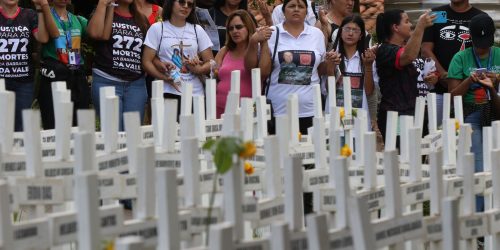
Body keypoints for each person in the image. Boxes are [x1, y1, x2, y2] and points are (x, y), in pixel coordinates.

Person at [246, 0, 338, 215]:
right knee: (282, 165)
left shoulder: (316, 35)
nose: (296, 9)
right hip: (280, 111)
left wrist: (331, 62)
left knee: (309, 167)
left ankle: (308, 215)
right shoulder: (272, 33)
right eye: (291, 5)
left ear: (307, 11)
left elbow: (321, 69)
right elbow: (255, 70)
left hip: (311, 110)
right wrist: (254, 43)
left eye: (301, 6)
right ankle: (284, 214)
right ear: (283, 10)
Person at [448, 13, 499, 214]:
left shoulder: (499, 54)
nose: (482, 48)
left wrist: (494, 84)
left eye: (486, 43)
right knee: (478, 163)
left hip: (496, 111)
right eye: (478, 43)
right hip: (471, 112)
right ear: (470, 38)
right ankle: (478, 217)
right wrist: (469, 81)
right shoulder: (460, 58)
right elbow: (452, 97)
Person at [142, 0, 214, 119]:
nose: (185, 6)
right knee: (168, 135)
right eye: (181, 2)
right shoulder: (158, 28)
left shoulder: (197, 30)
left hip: (195, 92)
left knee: (195, 135)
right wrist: (164, 77)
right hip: (168, 90)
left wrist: (199, 69)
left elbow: (211, 62)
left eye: (190, 4)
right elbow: (146, 61)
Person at [87, 0, 149, 131]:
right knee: (112, 135)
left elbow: (147, 52)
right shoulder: (104, 12)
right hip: (106, 81)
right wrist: (103, 4)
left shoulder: (141, 19)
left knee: (133, 135)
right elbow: (94, 33)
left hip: (136, 84)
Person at [421, 0, 484, 127]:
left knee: (467, 136)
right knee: (436, 135)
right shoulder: (438, 14)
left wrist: (463, 80)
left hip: (469, 92)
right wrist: (444, 74)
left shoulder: (480, 17)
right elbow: (426, 50)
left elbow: (483, 52)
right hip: (438, 90)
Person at [375, 9, 435, 140]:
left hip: (413, 112)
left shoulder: (401, 48)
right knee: (400, 156)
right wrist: (420, 26)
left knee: (418, 156)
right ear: (396, 27)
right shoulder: (385, 50)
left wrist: (430, 79)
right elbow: (408, 56)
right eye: (407, 21)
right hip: (395, 115)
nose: (410, 25)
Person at [37, 0, 90, 129]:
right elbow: (45, 37)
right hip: (55, 76)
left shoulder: (79, 20)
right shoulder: (45, 15)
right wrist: (43, 7)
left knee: (79, 128)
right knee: (53, 126)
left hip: (76, 75)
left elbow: (97, 35)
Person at [0, 0, 49, 131]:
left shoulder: (29, 14)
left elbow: (43, 38)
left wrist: (40, 9)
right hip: (0, 82)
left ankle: (18, 151)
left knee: (21, 127)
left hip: (24, 81)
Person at [331, 15, 375, 123]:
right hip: (335, 118)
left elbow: (369, 91)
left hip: (360, 120)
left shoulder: (367, 58)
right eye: (347, 29)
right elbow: (328, 88)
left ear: (361, 35)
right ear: (340, 32)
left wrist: (368, 66)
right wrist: (329, 64)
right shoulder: (332, 56)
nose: (350, 33)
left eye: (355, 30)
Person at [214, 10, 256, 118]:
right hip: (218, 109)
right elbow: (213, 73)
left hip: (246, 111)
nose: (234, 31)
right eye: (231, 28)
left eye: (239, 27)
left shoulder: (257, 50)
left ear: (248, 27)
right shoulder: (225, 50)